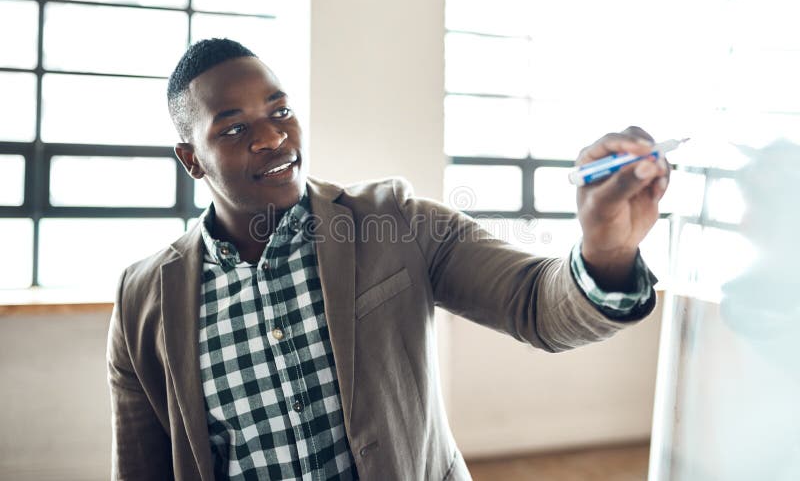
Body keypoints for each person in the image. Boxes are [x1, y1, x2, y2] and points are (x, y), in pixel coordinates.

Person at [107, 38, 668, 480]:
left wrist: (606, 249)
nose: (273, 137)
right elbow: (140, 467)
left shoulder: (393, 220)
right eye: (234, 128)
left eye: (281, 110)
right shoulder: (143, 300)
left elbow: (535, 304)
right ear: (191, 159)